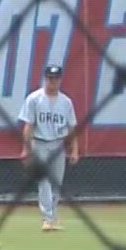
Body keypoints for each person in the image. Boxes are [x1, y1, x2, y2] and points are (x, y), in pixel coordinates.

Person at [17, 63, 81, 232]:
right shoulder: (34, 99)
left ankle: (52, 215)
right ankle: (48, 218)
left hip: (58, 144)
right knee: (43, 181)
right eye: (50, 78)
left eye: (56, 79)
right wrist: (26, 148)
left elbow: (72, 128)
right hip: (39, 143)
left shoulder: (66, 102)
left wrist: (74, 150)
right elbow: (28, 126)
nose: (52, 82)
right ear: (45, 79)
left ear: (60, 80)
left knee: (57, 182)